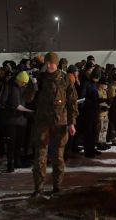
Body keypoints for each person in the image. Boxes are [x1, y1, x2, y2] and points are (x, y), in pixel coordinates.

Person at [32, 52, 78, 196]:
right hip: (42, 123)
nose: (50, 66)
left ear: (57, 64)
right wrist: (31, 85)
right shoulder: (40, 78)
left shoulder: (65, 79)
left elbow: (72, 103)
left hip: (60, 123)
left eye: (52, 63)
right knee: (40, 156)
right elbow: (28, 98)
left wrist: (72, 122)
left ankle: (57, 187)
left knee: (58, 157)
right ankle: (38, 189)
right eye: (48, 63)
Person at [0, 71, 36, 172]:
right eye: (23, 82)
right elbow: (2, 102)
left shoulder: (23, 88)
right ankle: (10, 164)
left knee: (19, 143)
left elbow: (27, 101)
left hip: (22, 119)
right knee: (11, 143)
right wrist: (13, 108)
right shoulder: (8, 86)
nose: (24, 85)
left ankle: (17, 162)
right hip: (10, 119)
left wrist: (28, 111)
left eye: (25, 83)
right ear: (18, 80)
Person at [96, 77, 111, 151]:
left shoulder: (104, 91)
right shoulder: (97, 91)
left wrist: (108, 106)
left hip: (105, 112)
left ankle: (103, 142)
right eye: (105, 84)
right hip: (100, 113)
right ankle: (99, 143)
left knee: (105, 129)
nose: (106, 86)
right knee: (100, 129)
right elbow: (96, 102)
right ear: (101, 84)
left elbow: (105, 102)